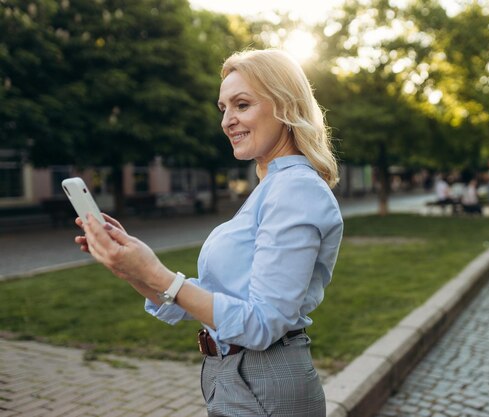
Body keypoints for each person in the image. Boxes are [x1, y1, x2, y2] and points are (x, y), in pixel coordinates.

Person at [74, 49, 343, 417]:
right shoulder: (272, 188)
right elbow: (218, 300)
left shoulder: (295, 189)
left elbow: (262, 323)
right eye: (223, 108)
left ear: (284, 106)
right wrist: (130, 267)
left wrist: (157, 273)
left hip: (262, 382)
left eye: (242, 105)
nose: (227, 121)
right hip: (234, 375)